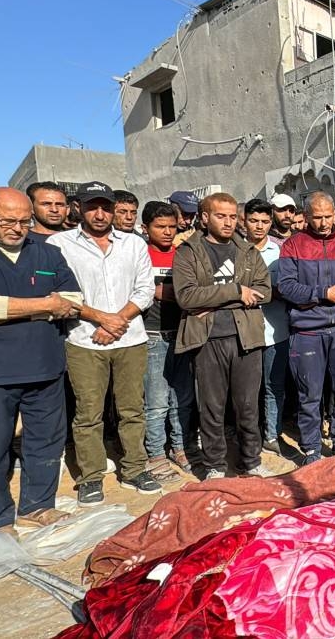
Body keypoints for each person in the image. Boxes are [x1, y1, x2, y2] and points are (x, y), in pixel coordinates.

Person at [49, 182, 160, 505]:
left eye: (105, 207)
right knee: (88, 413)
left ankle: (135, 468)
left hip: (130, 339)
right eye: (92, 207)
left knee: (132, 409)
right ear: (78, 208)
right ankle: (91, 476)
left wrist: (117, 321)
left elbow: (144, 289)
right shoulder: (60, 244)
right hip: (85, 340)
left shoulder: (133, 244)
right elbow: (60, 295)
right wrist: (101, 318)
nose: (100, 214)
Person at [0, 187, 82, 536]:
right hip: (0, 371)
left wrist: (9, 308)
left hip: (45, 366)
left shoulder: (47, 252)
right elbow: (56, 304)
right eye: (7, 221)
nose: (17, 228)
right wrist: (45, 305)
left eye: (23, 221)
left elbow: (73, 300)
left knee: (46, 440)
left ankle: (38, 505)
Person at [172, 192, 273, 480]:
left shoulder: (248, 251)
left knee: (248, 405)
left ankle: (250, 461)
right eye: (220, 216)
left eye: (231, 216)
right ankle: (215, 465)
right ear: (205, 218)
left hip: (246, 338)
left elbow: (264, 292)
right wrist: (236, 292)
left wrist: (213, 301)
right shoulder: (188, 251)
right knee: (212, 408)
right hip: (208, 340)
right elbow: (186, 296)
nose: (228, 222)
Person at [279, 193, 335, 462]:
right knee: (309, 394)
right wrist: (323, 293)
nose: (324, 222)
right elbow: (287, 286)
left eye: (328, 216)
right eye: (317, 217)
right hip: (307, 331)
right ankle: (311, 449)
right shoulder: (293, 246)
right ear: (306, 217)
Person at [140, 202, 195, 484]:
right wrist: (165, 291)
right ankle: (155, 455)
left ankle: (180, 447)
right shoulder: (140, 255)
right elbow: (141, 290)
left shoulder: (182, 254)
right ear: (145, 228)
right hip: (152, 335)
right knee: (157, 402)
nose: (167, 232)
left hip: (182, 333)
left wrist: (169, 291)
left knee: (182, 399)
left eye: (172, 227)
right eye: (160, 227)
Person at [241, 199, 291, 455]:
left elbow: (288, 287)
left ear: (271, 223)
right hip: (244, 333)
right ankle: (248, 439)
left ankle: (272, 434)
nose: (259, 226)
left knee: (275, 387)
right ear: (244, 221)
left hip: (276, 330)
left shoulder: (281, 251)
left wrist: (263, 292)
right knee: (247, 391)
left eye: (264, 221)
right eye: (254, 221)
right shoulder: (235, 251)